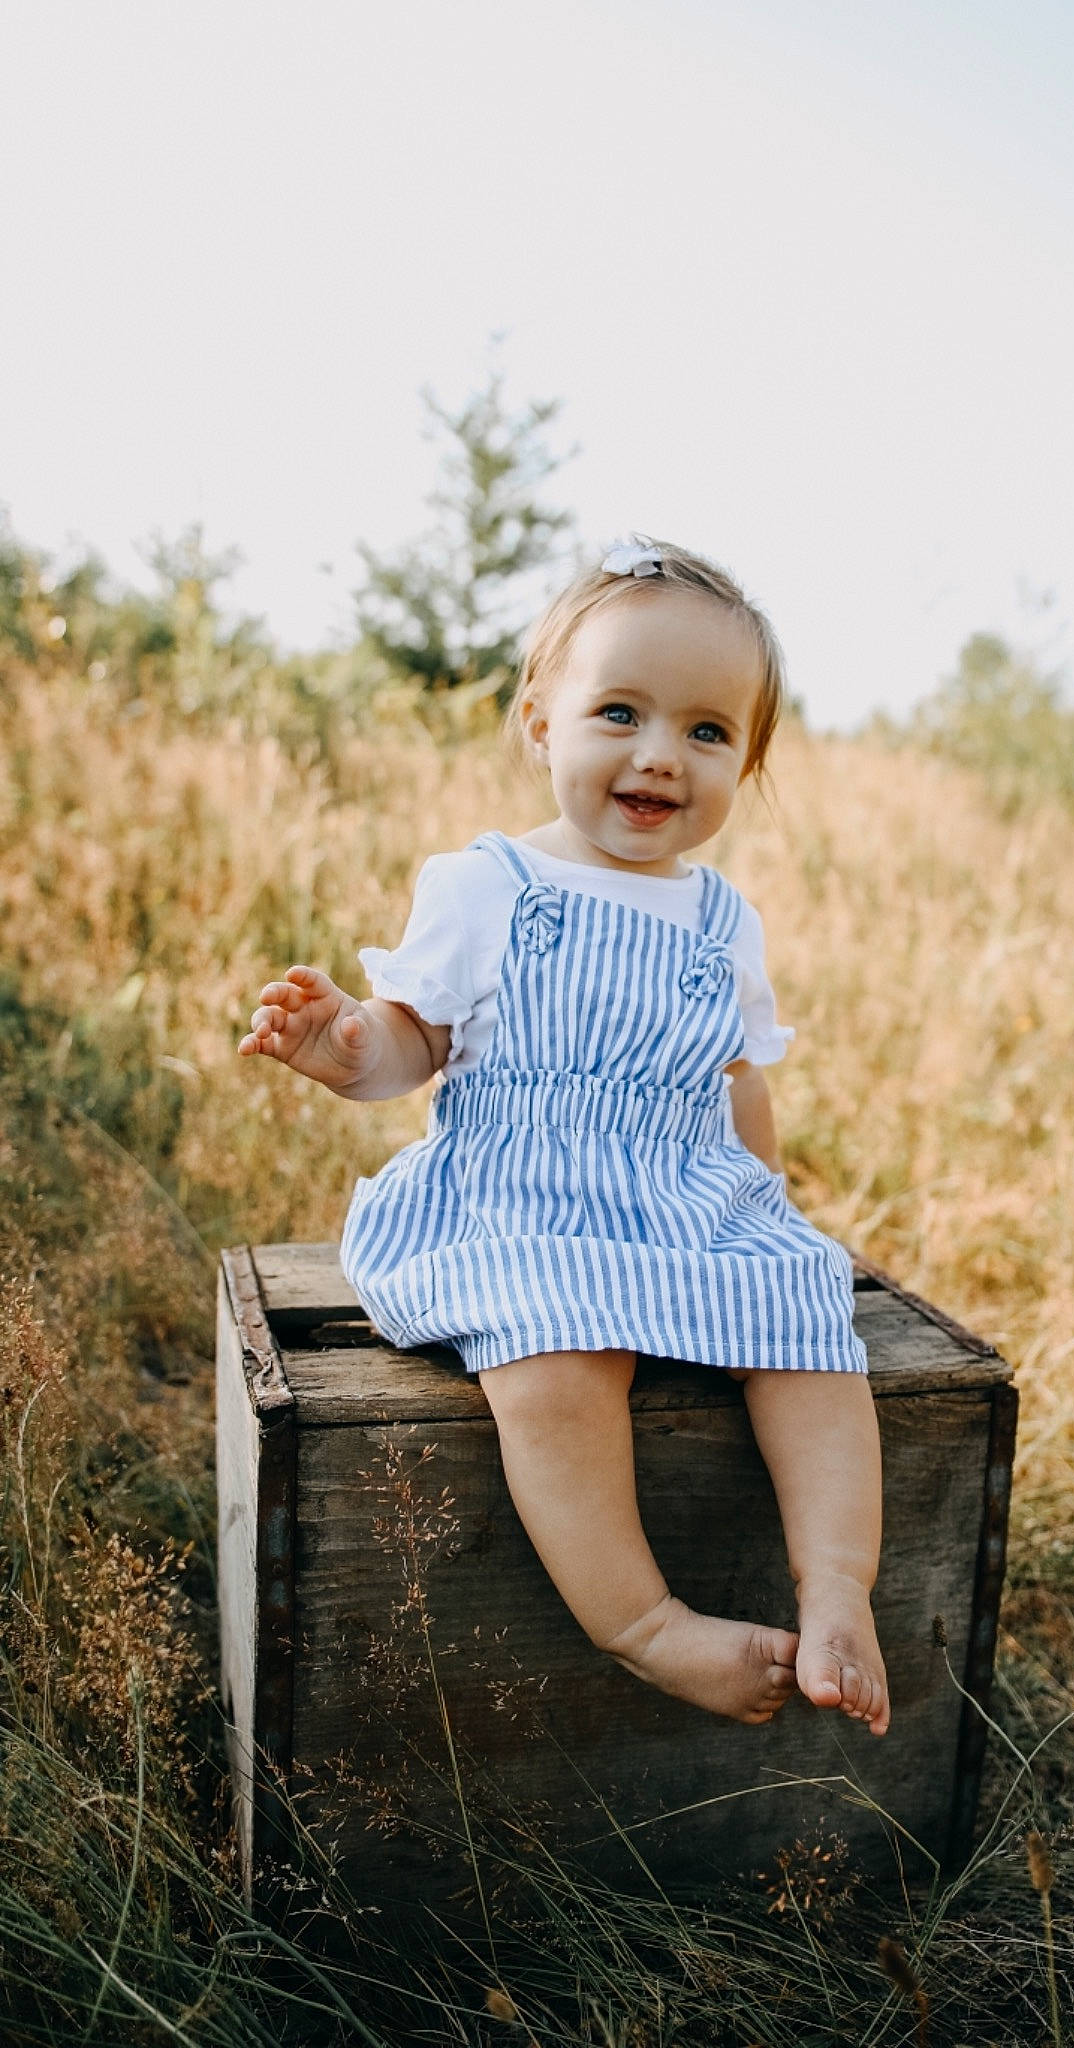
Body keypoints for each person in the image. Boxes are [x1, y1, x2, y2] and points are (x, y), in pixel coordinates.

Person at [239, 537, 889, 1735]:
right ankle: (644, 1625)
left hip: (681, 1194)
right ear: (541, 721)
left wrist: (764, 1197)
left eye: (706, 732)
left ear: (747, 759)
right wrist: (344, 1045)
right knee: (552, 1351)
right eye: (621, 712)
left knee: (807, 1312)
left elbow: (736, 1075)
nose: (658, 754)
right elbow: (411, 1038)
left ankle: (839, 1582)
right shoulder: (492, 885)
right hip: (520, 1198)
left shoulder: (721, 917)